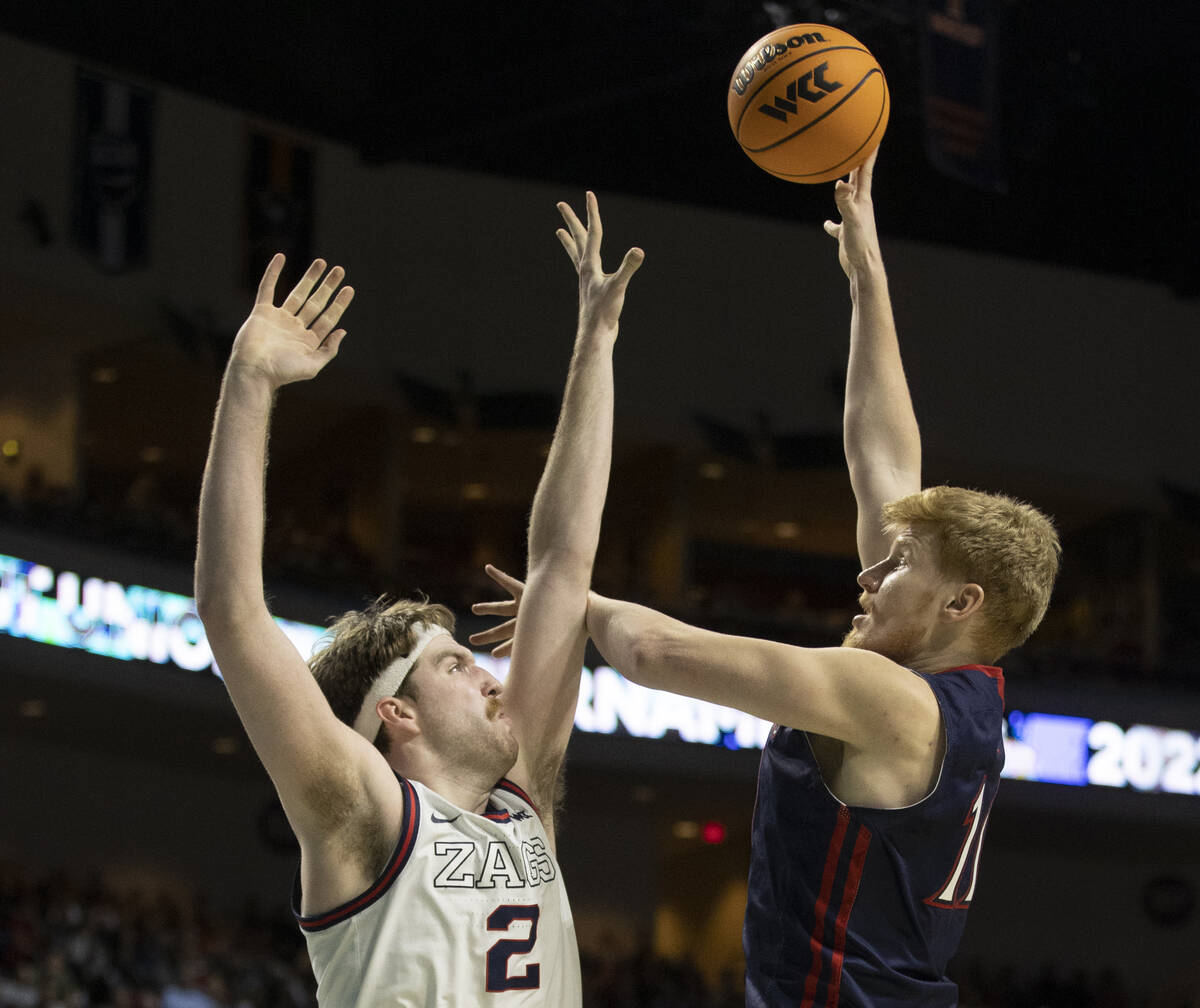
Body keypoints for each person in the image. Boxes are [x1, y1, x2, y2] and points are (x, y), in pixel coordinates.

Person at [476, 149, 1060, 1005]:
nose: (869, 574)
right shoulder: (956, 693)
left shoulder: (889, 699)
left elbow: (657, 654)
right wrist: (867, 275)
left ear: (960, 603)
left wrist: (578, 597)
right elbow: (883, 454)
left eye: (899, 567)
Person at [194, 192, 643, 1006]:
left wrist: (598, 341)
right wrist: (252, 379)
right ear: (394, 715)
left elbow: (562, 565)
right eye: (456, 665)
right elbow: (232, 613)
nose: (492, 678)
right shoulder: (363, 813)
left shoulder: (521, 799)